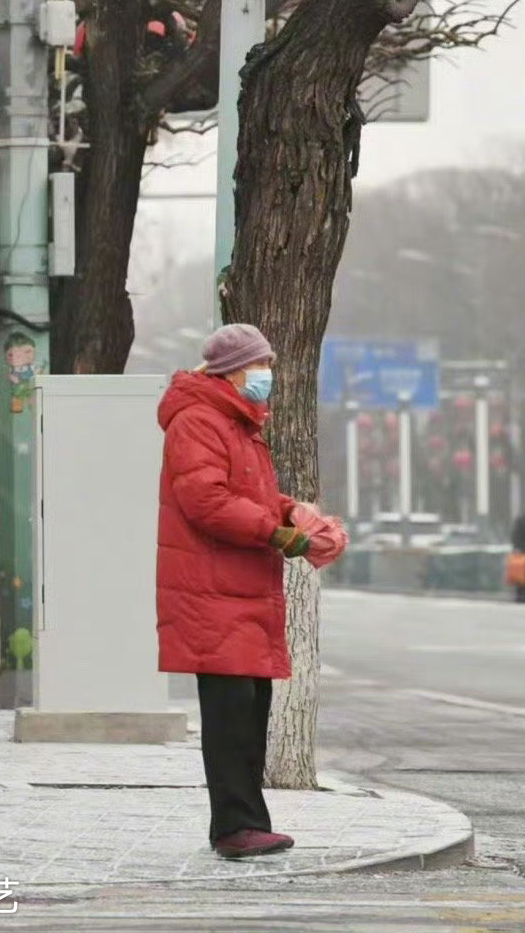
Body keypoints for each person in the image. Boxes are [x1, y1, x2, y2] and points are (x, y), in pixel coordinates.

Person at [156, 323, 312, 860]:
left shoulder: (237, 423)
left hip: (242, 591)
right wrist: (273, 531)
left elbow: (249, 492)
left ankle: (247, 822)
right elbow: (205, 500)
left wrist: (289, 512)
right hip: (212, 591)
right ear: (232, 370)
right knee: (229, 718)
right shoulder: (199, 421)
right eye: (260, 365)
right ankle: (234, 826)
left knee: (250, 712)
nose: (267, 376)